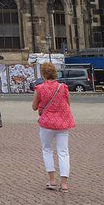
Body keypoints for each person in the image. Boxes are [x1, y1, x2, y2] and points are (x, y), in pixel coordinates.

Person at [32, 61, 75, 193]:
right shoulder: (63, 87)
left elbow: (34, 107)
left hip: (46, 123)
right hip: (62, 123)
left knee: (47, 149)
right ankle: (64, 183)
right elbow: (68, 104)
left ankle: (52, 180)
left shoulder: (39, 88)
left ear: (43, 74)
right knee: (63, 152)